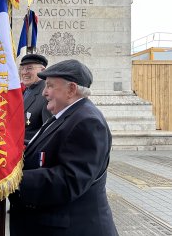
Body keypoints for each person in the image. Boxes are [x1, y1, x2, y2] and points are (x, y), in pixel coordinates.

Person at [9, 59, 118, 236]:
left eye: (50, 86)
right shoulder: (67, 115)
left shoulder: (87, 121)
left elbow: (70, 180)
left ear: (71, 89)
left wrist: (13, 180)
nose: (44, 92)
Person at [19, 54, 52, 145]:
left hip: (30, 153)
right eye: (23, 68)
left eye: (29, 68)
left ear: (43, 71)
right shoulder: (27, 90)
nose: (24, 72)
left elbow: (48, 134)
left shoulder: (46, 94)